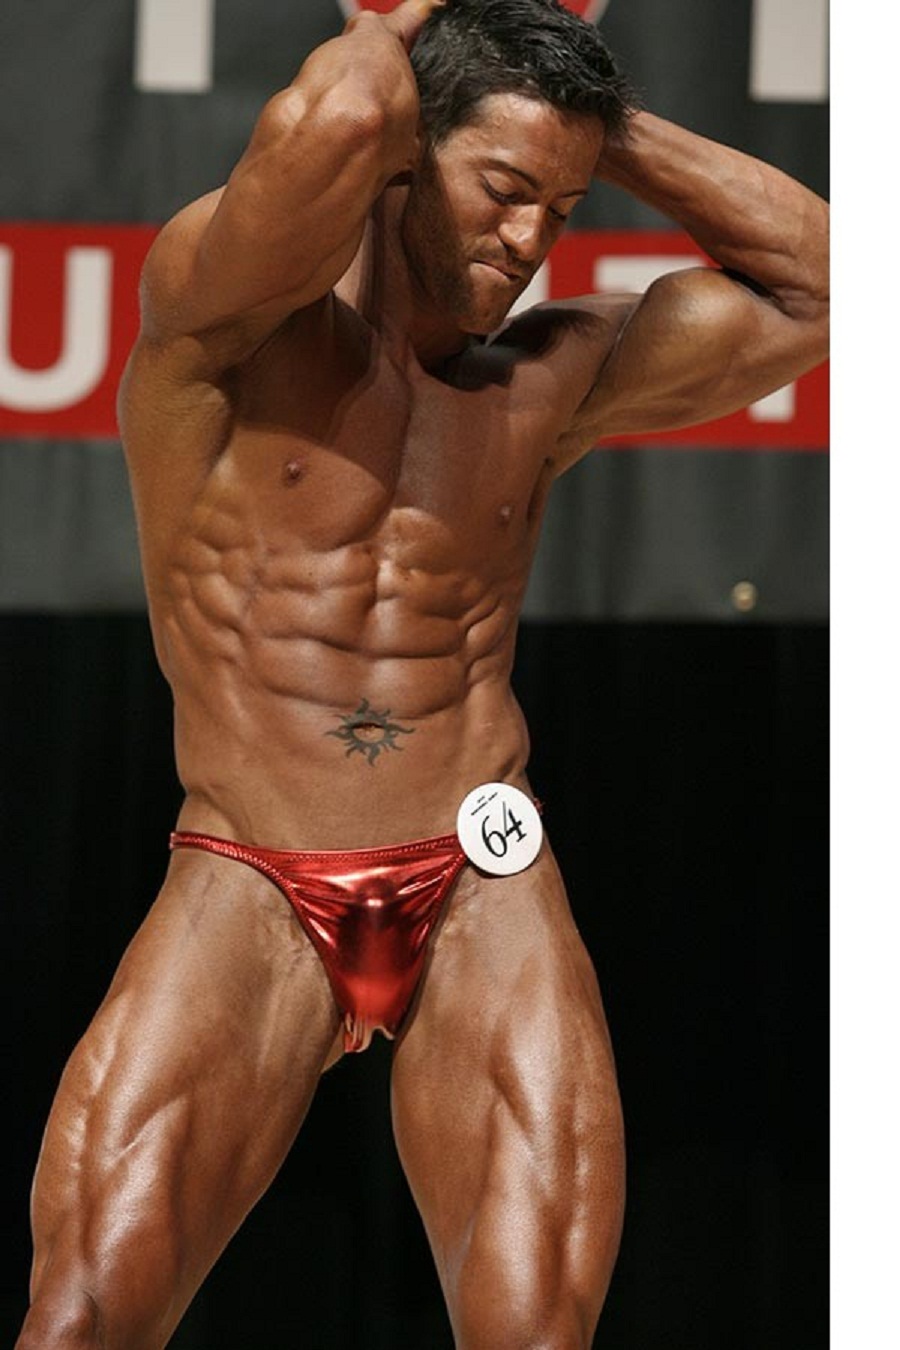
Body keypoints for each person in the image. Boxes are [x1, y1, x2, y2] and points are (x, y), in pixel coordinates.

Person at [16, 1, 828, 1346]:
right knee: (85, 1312)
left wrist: (597, 120)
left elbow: (829, 283)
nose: (529, 236)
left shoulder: (548, 380)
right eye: (502, 187)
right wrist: (407, 30)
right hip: (248, 868)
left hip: (480, 872)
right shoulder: (227, 334)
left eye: (560, 209)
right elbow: (339, 114)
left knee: (535, 1328)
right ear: (406, 154)